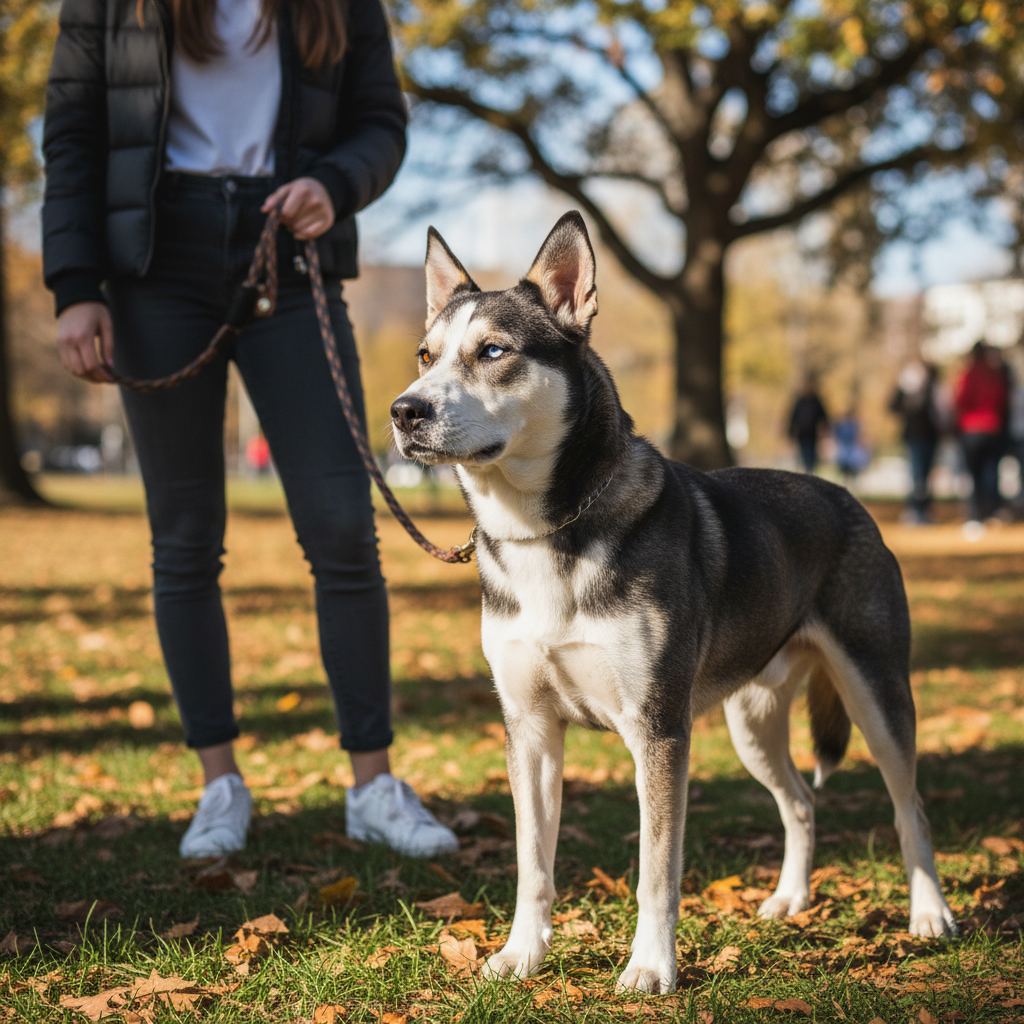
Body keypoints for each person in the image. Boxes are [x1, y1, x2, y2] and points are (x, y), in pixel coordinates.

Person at [43, 0, 458, 859]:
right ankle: (218, 785)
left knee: (344, 525)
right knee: (186, 536)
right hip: (156, 260)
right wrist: (75, 283)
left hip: (289, 255)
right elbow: (75, 130)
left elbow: (382, 120)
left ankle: (373, 786)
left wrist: (336, 184)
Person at [954, 342, 1009, 525]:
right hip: (992, 428)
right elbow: (1002, 400)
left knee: (973, 474)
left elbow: (960, 399)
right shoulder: (994, 375)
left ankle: (975, 514)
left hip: (972, 430)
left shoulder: (967, 374)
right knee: (991, 473)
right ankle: (992, 511)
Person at [889, 358, 942, 524]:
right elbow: (892, 406)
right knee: (916, 475)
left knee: (926, 476)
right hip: (913, 438)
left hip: (931, 438)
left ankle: (924, 510)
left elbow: (939, 413)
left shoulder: (933, 389)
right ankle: (914, 509)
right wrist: (902, 387)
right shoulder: (907, 389)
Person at [787, 374, 830, 474]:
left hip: (812, 434)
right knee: (803, 454)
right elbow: (793, 417)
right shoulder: (800, 401)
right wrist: (790, 431)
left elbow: (824, 416)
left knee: (812, 454)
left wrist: (825, 431)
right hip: (802, 434)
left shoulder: (816, 401)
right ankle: (806, 470)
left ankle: (810, 471)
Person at [832, 404, 869, 486]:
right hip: (846, 448)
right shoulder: (843, 425)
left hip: (850, 448)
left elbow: (859, 436)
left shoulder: (853, 425)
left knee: (852, 463)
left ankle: (852, 479)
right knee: (846, 463)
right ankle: (847, 479)